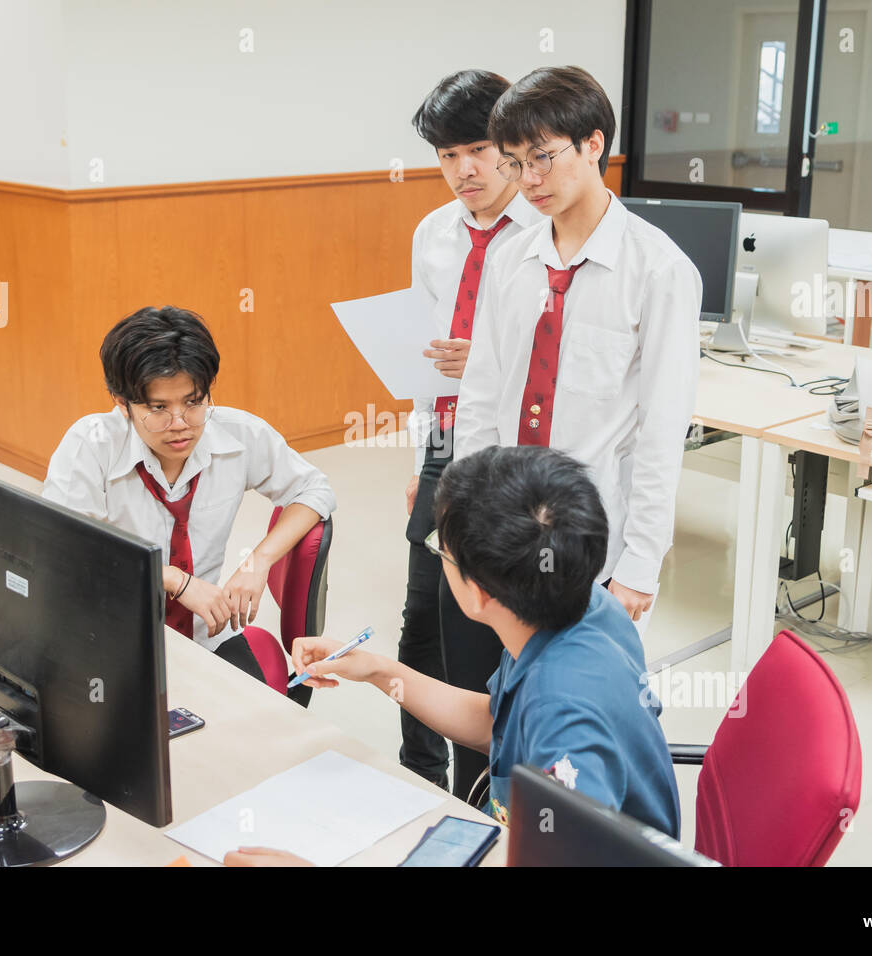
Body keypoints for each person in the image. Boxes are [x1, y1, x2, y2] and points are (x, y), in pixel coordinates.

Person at [293, 445, 681, 837]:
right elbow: (497, 722)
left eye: (439, 547)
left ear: (478, 593)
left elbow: (566, 848)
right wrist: (377, 670)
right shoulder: (577, 603)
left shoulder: (566, 715)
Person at [453, 63, 701, 645]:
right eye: (514, 162)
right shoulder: (510, 259)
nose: (529, 178)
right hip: (509, 524)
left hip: (597, 538)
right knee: (511, 690)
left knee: (586, 698)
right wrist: (469, 519)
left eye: (543, 156)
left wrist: (640, 565)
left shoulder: (659, 270)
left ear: (594, 145)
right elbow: (482, 397)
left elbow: (663, 431)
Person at [42, 306, 336, 685]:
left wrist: (257, 562)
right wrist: (173, 581)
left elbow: (314, 489)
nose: (180, 424)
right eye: (158, 408)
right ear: (122, 403)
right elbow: (63, 547)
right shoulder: (91, 444)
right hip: (108, 638)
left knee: (251, 731)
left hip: (207, 639)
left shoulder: (238, 435)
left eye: (194, 402)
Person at [399, 69, 545, 791]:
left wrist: (483, 359)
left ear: (514, 148)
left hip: (508, 463)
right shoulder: (432, 234)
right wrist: (421, 460)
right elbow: (424, 363)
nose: (465, 170)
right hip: (442, 448)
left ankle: (477, 792)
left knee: (480, 634)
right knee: (420, 621)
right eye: (447, 155)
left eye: (480, 149)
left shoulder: (545, 239)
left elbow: (555, 371)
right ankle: (415, 772)